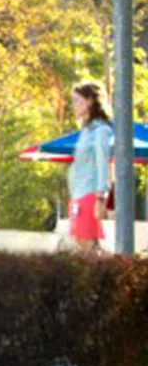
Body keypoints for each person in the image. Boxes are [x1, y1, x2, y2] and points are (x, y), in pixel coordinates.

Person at [67, 80, 114, 252]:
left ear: (90, 101)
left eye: (77, 100)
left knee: (88, 244)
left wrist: (100, 199)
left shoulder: (101, 130)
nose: (73, 105)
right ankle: (118, 266)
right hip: (78, 194)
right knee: (83, 243)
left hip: (90, 194)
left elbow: (103, 165)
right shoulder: (86, 131)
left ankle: (121, 267)